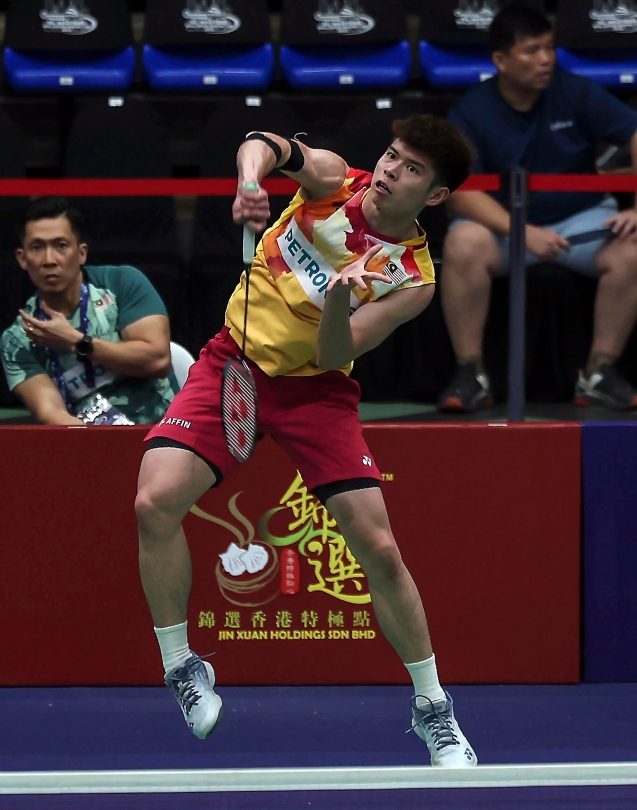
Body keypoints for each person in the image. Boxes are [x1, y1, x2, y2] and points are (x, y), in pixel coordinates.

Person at [135, 116, 480, 767]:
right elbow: (263, 141)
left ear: (434, 195)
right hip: (230, 362)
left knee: (377, 544)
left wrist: (342, 306)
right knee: (154, 503)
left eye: (410, 170)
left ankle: (434, 708)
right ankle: (182, 666)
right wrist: (249, 182)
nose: (388, 172)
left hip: (314, 393)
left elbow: (334, 353)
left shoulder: (411, 277)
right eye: (391, 155)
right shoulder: (331, 182)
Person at [438, 3, 637, 412]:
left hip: (581, 222)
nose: (545, 59)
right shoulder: (472, 109)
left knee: (633, 249)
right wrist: (523, 231)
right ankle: (470, 374)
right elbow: (457, 190)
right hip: (507, 230)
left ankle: (599, 374)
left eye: (549, 48)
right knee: (462, 243)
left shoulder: (576, 91)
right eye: (532, 50)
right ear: (501, 60)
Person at [0, 196, 177, 425]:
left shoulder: (121, 283)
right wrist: (99, 450)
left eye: (61, 246)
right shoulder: (17, 341)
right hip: (91, 440)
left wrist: (76, 342)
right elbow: (51, 412)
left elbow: (158, 361)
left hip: (165, 432)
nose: (49, 260)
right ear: (22, 259)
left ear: (81, 253)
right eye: (37, 247)